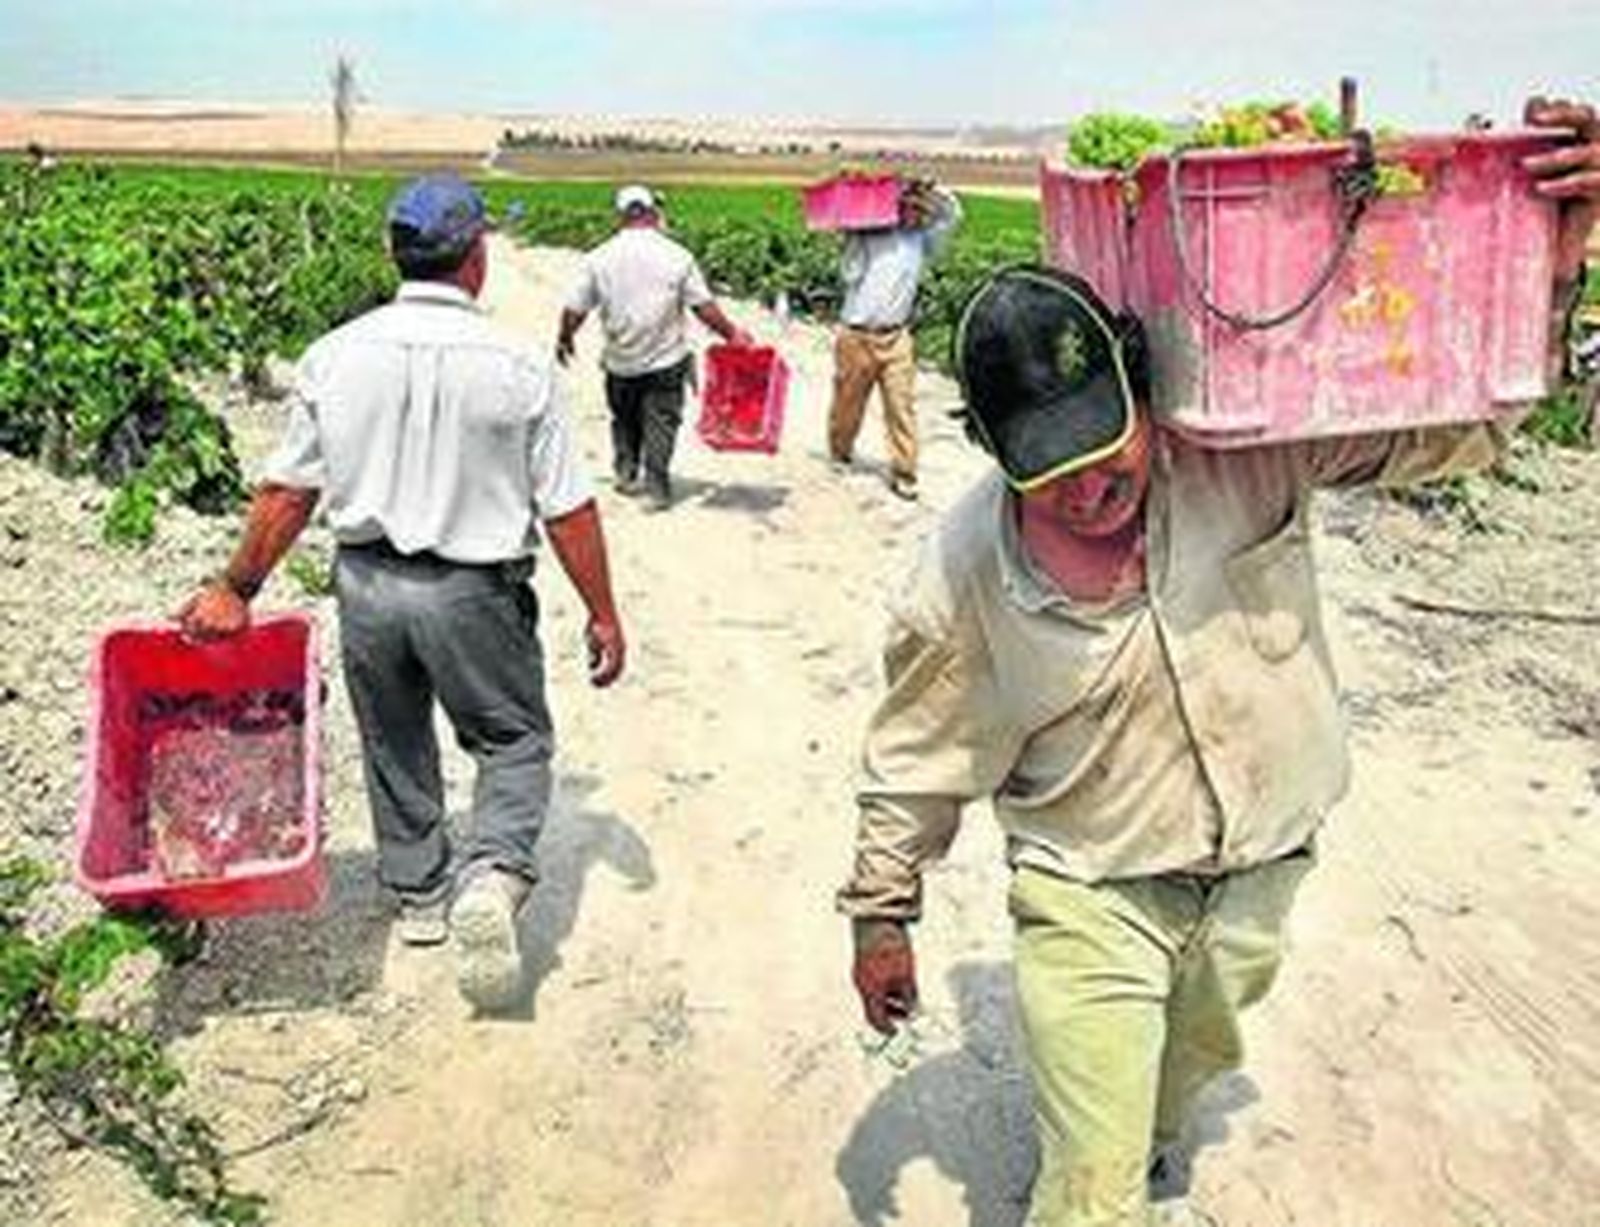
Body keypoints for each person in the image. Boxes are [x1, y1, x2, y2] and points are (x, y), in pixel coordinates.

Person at [839, 99, 1600, 1226]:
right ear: (996, 456)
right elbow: (916, 755)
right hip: (1090, 889)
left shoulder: (1247, 455)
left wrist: (1555, 265)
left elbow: (1471, 429)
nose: (1090, 488)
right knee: (1090, 1192)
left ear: (1141, 389)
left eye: (1107, 447)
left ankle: (1142, 1140)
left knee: (1180, 1074)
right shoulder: (960, 576)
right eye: (1050, 472)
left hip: (1262, 867)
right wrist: (880, 915)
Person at [177, 174, 626, 1012]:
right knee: (512, 738)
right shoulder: (519, 365)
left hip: (369, 584)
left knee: (393, 734)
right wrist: (602, 611)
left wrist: (236, 586)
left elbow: (288, 492)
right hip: (475, 593)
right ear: (476, 256)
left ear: (395, 254)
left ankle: (420, 894)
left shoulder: (334, 355)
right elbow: (567, 508)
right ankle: (492, 875)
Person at [556, 185, 751, 511]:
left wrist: (564, 338)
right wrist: (732, 334)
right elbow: (702, 306)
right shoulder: (677, 255)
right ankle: (657, 489)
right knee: (662, 421)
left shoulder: (598, 257)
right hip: (666, 359)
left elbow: (575, 309)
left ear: (620, 215)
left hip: (620, 359)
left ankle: (626, 472)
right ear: (652, 212)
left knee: (624, 418)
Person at [828, 177, 963, 502]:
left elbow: (954, 215)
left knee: (901, 406)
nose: (915, 213)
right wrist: (853, 237)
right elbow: (849, 274)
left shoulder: (922, 242)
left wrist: (933, 188)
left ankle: (905, 473)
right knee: (848, 403)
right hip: (857, 335)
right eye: (908, 206)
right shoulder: (870, 236)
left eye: (920, 208)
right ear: (895, 208)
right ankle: (840, 451)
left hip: (897, 337)